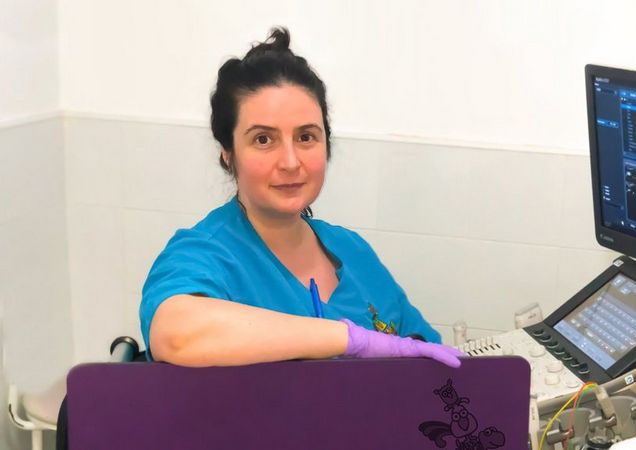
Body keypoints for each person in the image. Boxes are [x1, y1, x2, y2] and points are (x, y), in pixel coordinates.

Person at [139, 28, 461, 369]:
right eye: (263, 139)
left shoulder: (352, 250)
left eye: (306, 137)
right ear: (228, 153)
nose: (291, 162)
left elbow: (429, 356)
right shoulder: (206, 253)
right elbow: (176, 334)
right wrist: (352, 340)